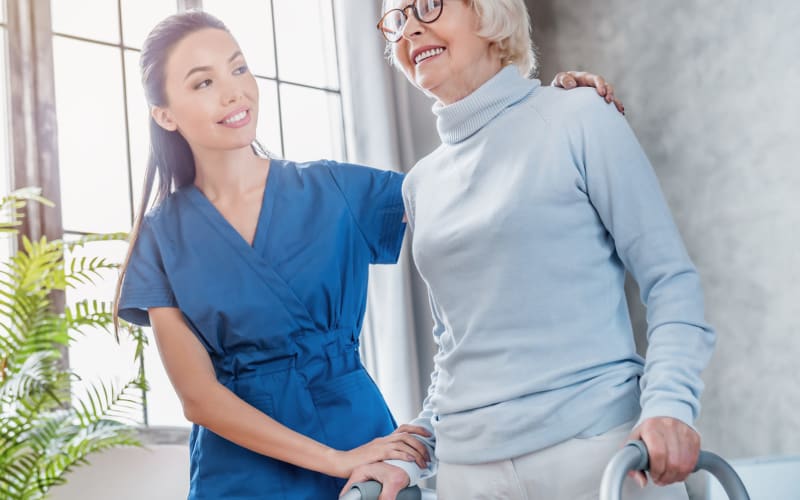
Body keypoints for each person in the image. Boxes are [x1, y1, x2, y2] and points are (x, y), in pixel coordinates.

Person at [112, 10, 619, 500]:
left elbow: (479, 196)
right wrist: (335, 459)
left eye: (239, 67)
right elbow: (198, 398)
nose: (234, 91)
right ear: (164, 115)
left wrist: (545, 110)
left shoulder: (336, 189)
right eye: (203, 83)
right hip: (244, 472)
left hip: (366, 453)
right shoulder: (161, 236)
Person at [343, 1, 716, 499]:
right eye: (396, 18)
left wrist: (669, 406)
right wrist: (418, 444)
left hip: (599, 454)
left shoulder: (579, 116)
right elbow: (457, 344)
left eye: (430, 5)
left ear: (487, 13)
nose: (409, 27)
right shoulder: (420, 185)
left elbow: (670, 279)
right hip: (469, 473)